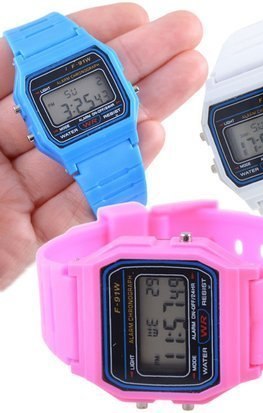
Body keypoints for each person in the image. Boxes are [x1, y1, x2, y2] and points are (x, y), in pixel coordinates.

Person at [0, 3, 207, 289]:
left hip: (118, 131)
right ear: (24, 112)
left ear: (125, 88)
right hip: (81, 149)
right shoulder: (34, 87)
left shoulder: (89, 60)